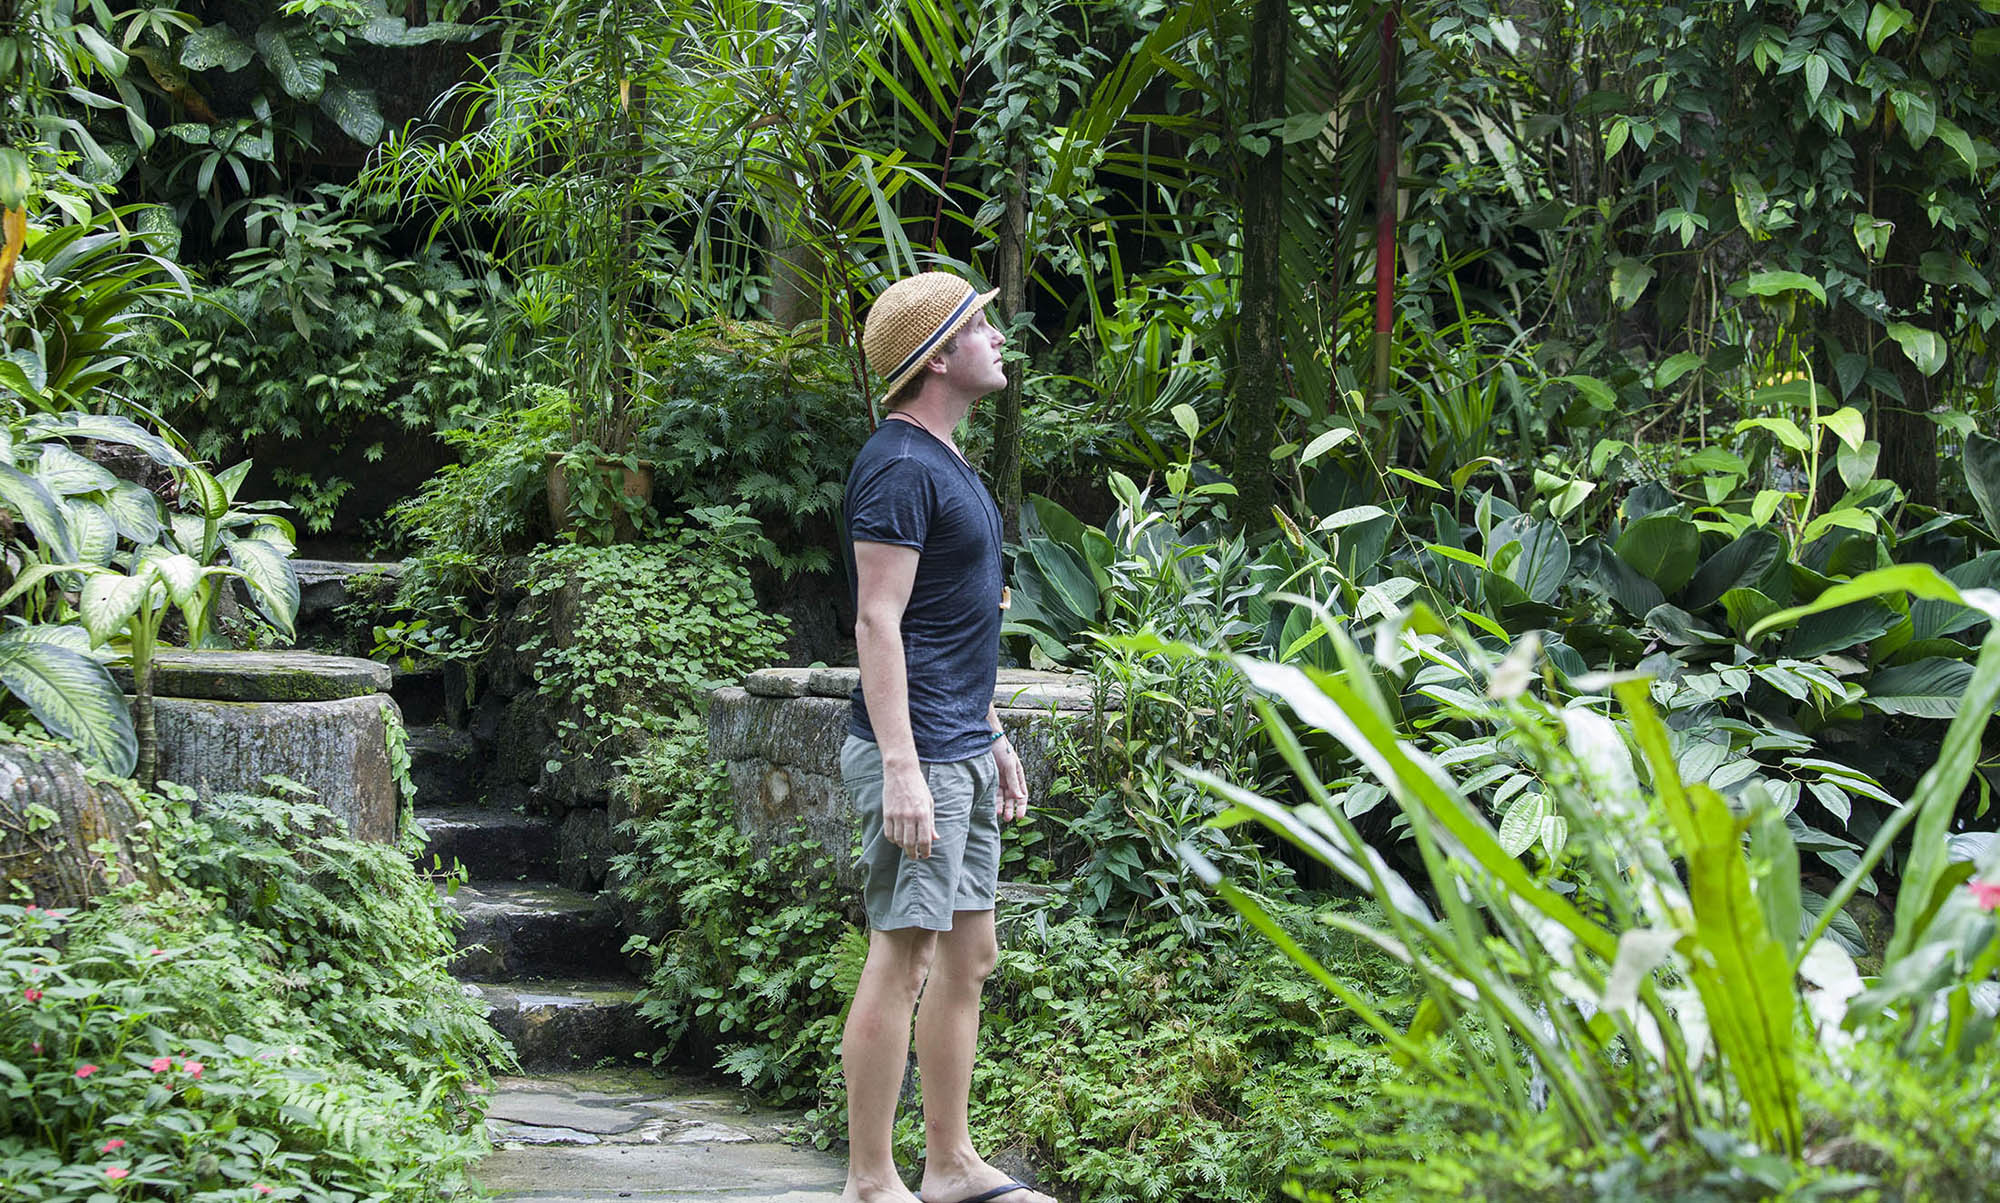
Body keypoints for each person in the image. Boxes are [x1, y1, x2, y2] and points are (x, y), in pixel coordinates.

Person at [837, 272, 1056, 1203]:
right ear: (936, 355)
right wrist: (902, 768)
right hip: (915, 753)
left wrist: (992, 728)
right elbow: (877, 622)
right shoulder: (897, 465)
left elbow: (950, 624)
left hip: (958, 742)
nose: (998, 336)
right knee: (908, 951)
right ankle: (870, 1181)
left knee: (969, 955)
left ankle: (951, 1163)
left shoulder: (946, 460)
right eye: (979, 324)